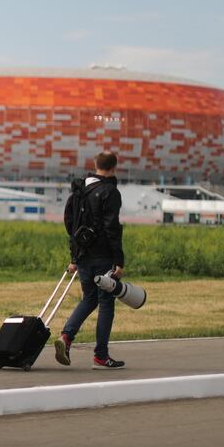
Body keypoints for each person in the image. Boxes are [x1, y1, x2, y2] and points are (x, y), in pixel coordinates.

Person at [55, 151, 126, 370]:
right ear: (114, 167)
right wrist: (119, 261)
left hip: (82, 255)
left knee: (89, 298)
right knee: (106, 303)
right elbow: (112, 228)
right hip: (102, 256)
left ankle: (66, 336)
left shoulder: (78, 190)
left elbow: (70, 222)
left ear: (95, 164)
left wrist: (75, 255)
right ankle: (101, 356)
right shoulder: (110, 192)